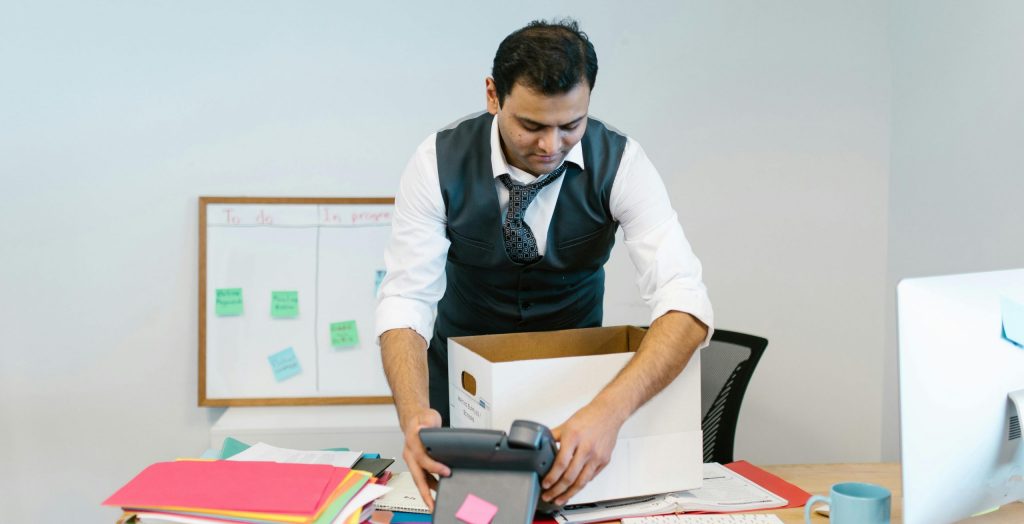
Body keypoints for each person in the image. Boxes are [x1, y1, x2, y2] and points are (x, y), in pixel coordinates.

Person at [375, 18, 713, 510]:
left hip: (578, 408)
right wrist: (413, 415)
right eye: (531, 126)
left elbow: (685, 301)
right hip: (462, 401)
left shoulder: (623, 163)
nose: (551, 146)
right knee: (470, 516)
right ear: (493, 95)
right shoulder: (436, 162)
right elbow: (406, 299)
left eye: (571, 125)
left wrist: (609, 413)